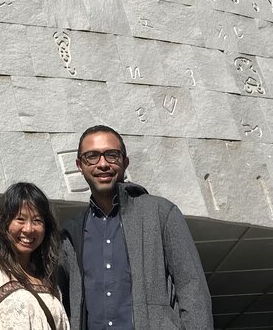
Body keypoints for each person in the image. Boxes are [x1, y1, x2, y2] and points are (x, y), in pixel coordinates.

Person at [59, 125, 213, 330]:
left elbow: (192, 288)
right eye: (92, 156)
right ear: (80, 165)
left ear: (125, 162)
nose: (102, 164)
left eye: (112, 155)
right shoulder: (72, 234)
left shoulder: (160, 213)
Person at [0, 181, 70, 330]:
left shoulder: (48, 280)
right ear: (5, 223)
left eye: (37, 220)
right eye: (20, 219)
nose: (29, 229)